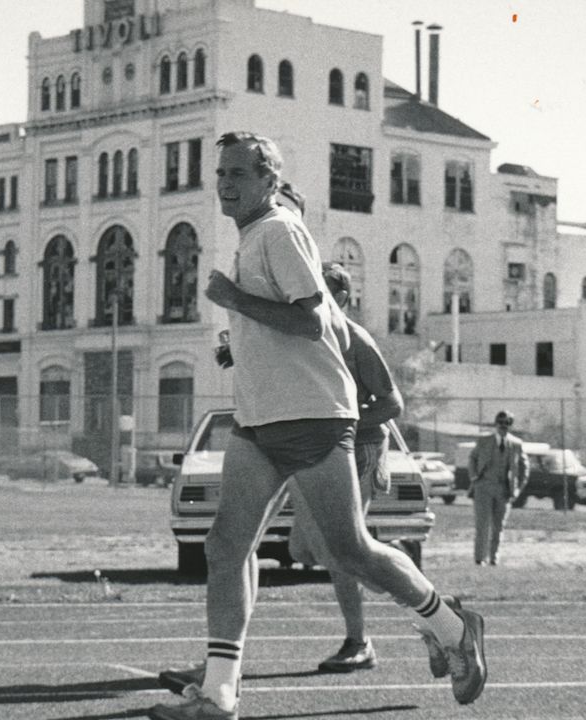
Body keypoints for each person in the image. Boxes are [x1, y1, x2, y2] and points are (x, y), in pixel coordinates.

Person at [148, 132, 486, 720]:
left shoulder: (279, 229)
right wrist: (236, 336)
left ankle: (453, 626)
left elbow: (310, 323)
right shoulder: (250, 235)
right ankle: (220, 693)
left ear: (268, 181)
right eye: (220, 173)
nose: (224, 184)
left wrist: (234, 299)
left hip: (311, 417)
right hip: (258, 421)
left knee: (350, 549)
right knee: (226, 546)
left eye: (237, 174)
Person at [286, 259, 404, 672]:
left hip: (362, 448)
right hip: (320, 449)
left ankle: (359, 641)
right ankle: (396, 573)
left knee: (339, 552)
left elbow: (392, 404)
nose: (311, 300)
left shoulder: (356, 339)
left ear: (341, 298)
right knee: (301, 547)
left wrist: (345, 421)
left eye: (321, 292)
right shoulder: (311, 339)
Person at [468, 410, 526, 565]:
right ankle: (480, 558)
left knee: (498, 526)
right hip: (483, 487)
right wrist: (474, 477)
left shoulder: (515, 444)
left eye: (507, 423)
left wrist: (517, 488)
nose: (503, 426)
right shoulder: (484, 441)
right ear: (496, 424)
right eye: (501, 423)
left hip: (504, 490)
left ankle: (494, 557)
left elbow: (524, 467)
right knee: (482, 525)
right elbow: (472, 458)